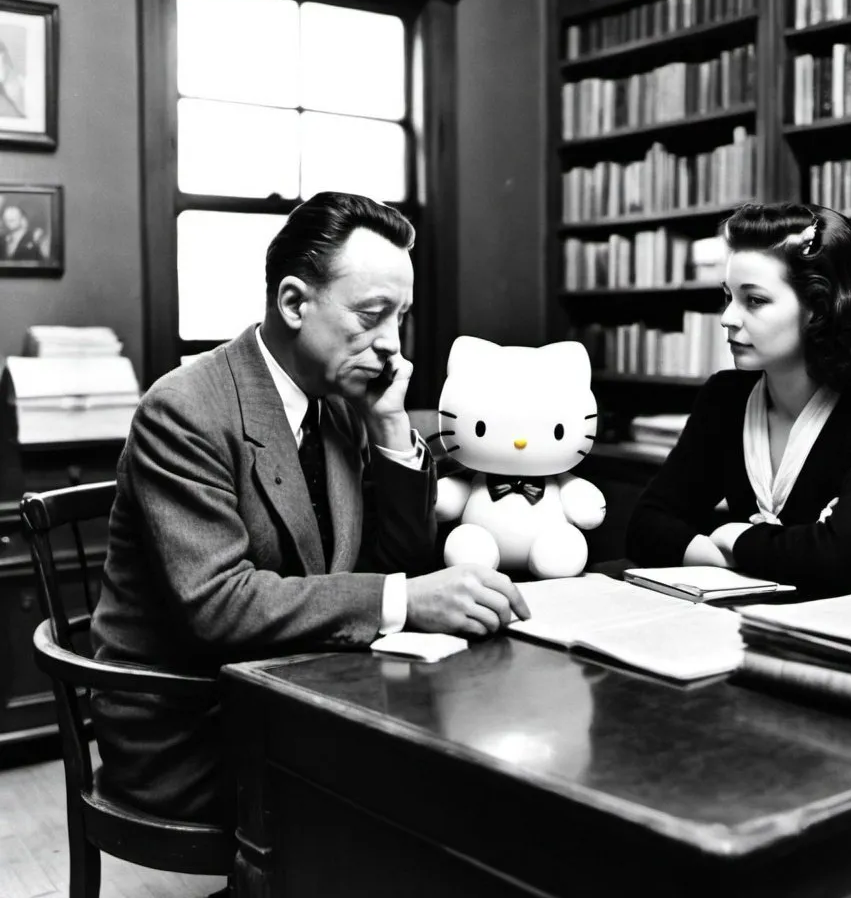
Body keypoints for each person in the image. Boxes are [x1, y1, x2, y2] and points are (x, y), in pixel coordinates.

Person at [90, 191, 530, 828]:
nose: (392, 347)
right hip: (191, 728)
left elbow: (396, 559)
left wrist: (386, 426)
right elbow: (217, 605)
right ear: (294, 302)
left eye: (400, 318)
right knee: (437, 787)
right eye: (371, 316)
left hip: (298, 692)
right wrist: (405, 600)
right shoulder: (184, 409)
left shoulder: (340, 400)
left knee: (476, 755)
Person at [626, 201, 851, 598]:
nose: (728, 318)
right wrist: (722, 556)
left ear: (818, 308)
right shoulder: (725, 399)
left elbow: (842, 560)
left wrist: (735, 539)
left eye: (754, 300)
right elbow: (646, 526)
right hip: (758, 624)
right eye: (728, 297)